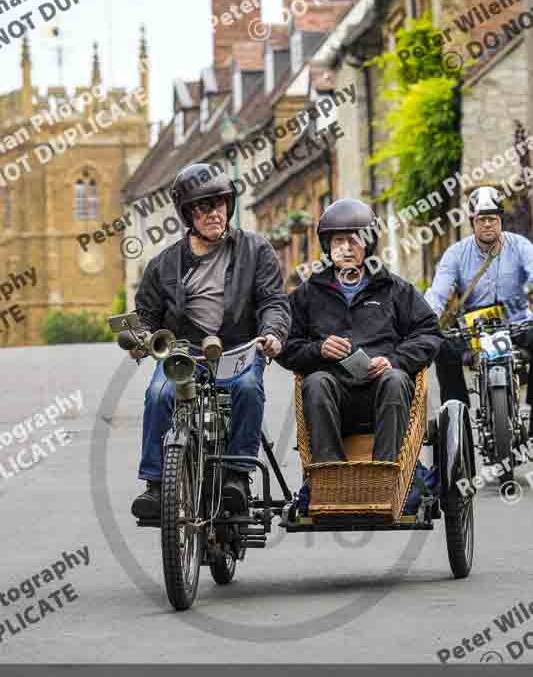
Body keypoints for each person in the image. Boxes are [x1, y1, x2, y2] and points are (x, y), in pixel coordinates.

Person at [130, 162, 291, 519]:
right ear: (188, 214)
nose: (214, 213)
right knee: (159, 394)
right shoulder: (164, 264)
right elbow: (145, 315)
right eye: (203, 207)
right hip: (186, 351)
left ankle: (236, 477)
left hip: (240, 346)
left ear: (228, 206)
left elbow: (273, 302)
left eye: (219, 204)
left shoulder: (256, 250)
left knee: (249, 388)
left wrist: (272, 333)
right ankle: (157, 486)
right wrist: (140, 337)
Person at [277, 198, 442, 464]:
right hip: (334, 395)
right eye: (338, 241)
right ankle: (330, 477)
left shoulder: (395, 289)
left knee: (397, 379)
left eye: (355, 240)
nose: (346, 248)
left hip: (384, 393)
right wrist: (318, 350)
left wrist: (394, 361)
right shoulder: (308, 293)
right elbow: (285, 345)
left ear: (369, 244)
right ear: (327, 247)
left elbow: (429, 333)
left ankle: (387, 476)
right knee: (316, 383)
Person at [425, 186, 533, 421]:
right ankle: (457, 413)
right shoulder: (455, 254)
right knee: (443, 348)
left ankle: (531, 406)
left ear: (500, 220)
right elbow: (438, 294)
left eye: (492, 219)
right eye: (481, 219)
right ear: (472, 221)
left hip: (517, 324)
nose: (487, 224)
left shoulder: (521, 246)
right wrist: (426, 319)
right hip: (474, 330)